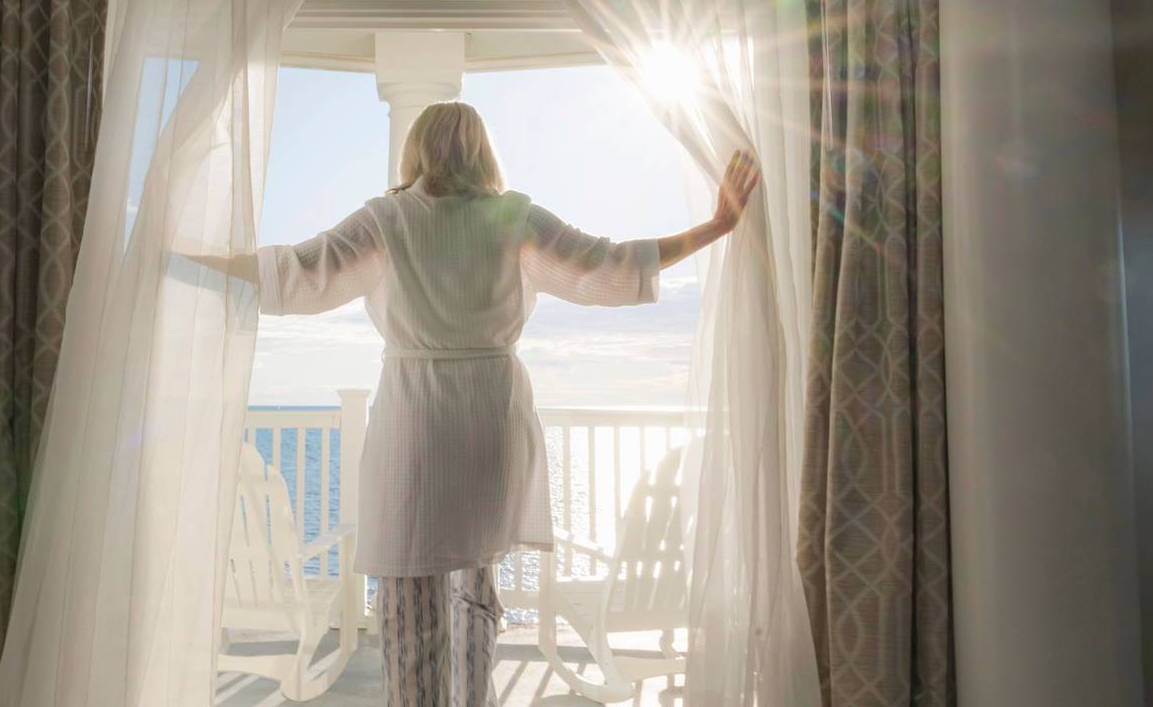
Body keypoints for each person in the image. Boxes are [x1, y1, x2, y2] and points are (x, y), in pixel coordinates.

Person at [198, 101, 758, 706]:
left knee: (411, 601)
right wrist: (717, 225)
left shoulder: (387, 219)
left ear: (415, 151)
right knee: (474, 584)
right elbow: (608, 262)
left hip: (416, 420)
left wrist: (192, 258)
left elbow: (297, 270)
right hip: (490, 419)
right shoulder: (512, 216)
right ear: (482, 151)